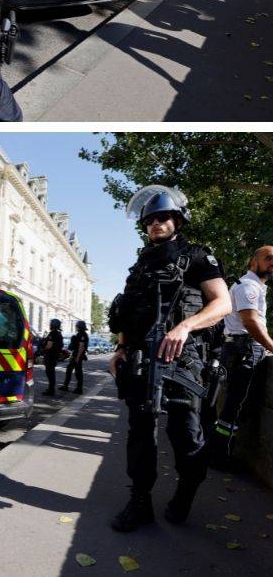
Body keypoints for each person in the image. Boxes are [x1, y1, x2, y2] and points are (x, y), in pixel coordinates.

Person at [108, 187, 231, 532]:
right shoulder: (140, 265)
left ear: (177, 220)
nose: (155, 224)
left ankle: (185, 493)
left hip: (182, 359)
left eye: (162, 217)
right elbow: (128, 312)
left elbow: (222, 304)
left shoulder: (196, 256)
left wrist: (185, 328)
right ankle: (140, 502)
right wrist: (120, 348)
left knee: (186, 435)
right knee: (140, 434)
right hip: (141, 360)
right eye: (149, 220)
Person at [208, 245, 273, 467]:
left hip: (239, 348)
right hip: (245, 349)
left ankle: (220, 452)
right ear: (254, 262)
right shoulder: (249, 287)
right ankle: (219, 456)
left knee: (234, 404)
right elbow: (251, 321)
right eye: (269, 258)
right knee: (235, 405)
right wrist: (272, 346)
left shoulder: (249, 285)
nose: (272, 263)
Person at [61, 321, 90, 394]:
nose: (76, 327)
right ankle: (66, 386)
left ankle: (78, 388)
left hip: (78, 355)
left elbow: (81, 347)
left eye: (76, 326)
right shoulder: (80, 334)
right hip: (76, 355)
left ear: (79, 327)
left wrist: (77, 357)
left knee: (78, 372)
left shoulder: (82, 335)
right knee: (70, 370)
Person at [43, 318, 64, 398]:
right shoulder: (59, 333)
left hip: (50, 356)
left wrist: (43, 349)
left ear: (53, 325)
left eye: (51, 323)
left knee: (50, 373)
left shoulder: (53, 333)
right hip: (54, 356)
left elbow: (49, 346)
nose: (50, 325)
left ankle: (51, 390)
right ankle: (51, 389)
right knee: (51, 373)